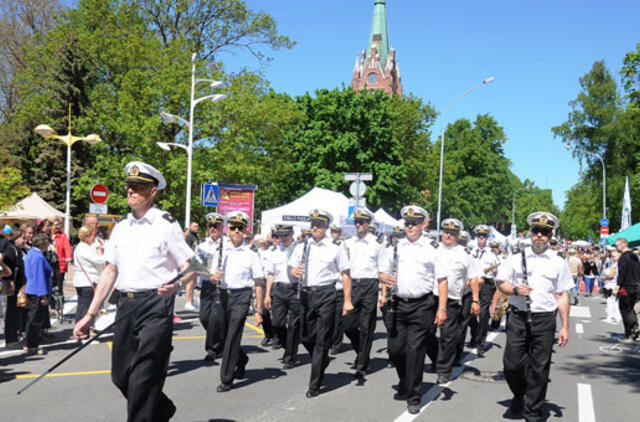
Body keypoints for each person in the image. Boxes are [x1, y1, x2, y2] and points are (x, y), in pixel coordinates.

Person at [73, 161, 195, 421]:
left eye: (138, 187)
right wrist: (90, 314)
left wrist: (176, 285)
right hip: (126, 306)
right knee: (120, 375)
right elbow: (109, 272)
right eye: (129, 186)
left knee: (143, 377)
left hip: (155, 305)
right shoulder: (121, 227)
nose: (131, 191)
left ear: (152, 193)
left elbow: (190, 267)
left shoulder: (165, 224)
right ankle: (161, 409)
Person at [496, 211, 572, 421]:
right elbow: (500, 281)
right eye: (537, 230)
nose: (540, 235)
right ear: (530, 232)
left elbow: (562, 294)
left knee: (540, 367)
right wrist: (514, 290)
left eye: (545, 232)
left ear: (551, 235)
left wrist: (565, 326)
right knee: (512, 365)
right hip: (518, 317)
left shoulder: (558, 261)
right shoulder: (515, 257)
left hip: (545, 319)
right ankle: (519, 395)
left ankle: (533, 411)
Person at [379, 205, 446, 415]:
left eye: (414, 223)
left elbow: (442, 281)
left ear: (423, 224)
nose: (409, 227)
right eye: (406, 223)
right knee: (396, 349)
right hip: (398, 304)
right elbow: (383, 271)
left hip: (422, 305)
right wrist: (383, 279)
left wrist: (442, 308)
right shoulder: (396, 246)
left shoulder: (433, 248)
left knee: (415, 351)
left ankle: (414, 396)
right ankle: (404, 379)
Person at [289, 208, 353, 398]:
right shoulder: (302, 246)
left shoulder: (335, 247)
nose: (315, 227)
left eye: (319, 224)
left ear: (326, 227)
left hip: (326, 293)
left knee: (322, 339)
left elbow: (345, 273)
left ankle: (314, 385)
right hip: (306, 295)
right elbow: (292, 269)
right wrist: (294, 272)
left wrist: (347, 300)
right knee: (306, 337)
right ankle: (322, 359)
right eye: (313, 224)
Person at [215, 211, 265, 393]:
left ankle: (226, 379)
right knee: (221, 334)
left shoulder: (251, 254)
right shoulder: (220, 250)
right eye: (233, 227)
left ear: (245, 231)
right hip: (223, 294)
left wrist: (259, 310)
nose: (236, 231)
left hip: (242, 296)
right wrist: (213, 276)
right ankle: (241, 358)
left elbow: (258, 283)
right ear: (228, 230)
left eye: (240, 228)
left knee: (233, 335)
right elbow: (207, 274)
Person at [436, 219, 481, 384]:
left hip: (452, 299)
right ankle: (436, 357)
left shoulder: (465, 254)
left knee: (448, 335)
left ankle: (443, 369)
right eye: (446, 232)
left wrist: (475, 300)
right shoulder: (433, 250)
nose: (448, 235)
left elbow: (474, 278)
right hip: (430, 295)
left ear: (458, 235)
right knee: (425, 332)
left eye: (453, 233)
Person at [343, 208, 384, 381]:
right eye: (356, 222)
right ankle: (362, 351)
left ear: (368, 224)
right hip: (353, 285)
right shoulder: (349, 243)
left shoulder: (377, 243)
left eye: (362, 222)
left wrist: (383, 293)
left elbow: (382, 270)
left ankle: (362, 364)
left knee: (367, 326)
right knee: (348, 326)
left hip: (369, 285)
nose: (358, 225)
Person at [265, 225, 301, 369]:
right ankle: (288, 347)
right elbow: (270, 274)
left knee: (293, 326)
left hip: (295, 289)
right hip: (279, 289)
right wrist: (267, 294)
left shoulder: (300, 250)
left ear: (292, 233)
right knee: (277, 324)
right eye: (281, 235)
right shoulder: (275, 251)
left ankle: (290, 357)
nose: (283, 238)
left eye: (286, 234)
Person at [197, 212, 226, 361]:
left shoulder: (227, 244)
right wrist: (210, 276)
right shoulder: (203, 246)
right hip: (208, 284)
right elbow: (200, 267)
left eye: (216, 226)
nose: (213, 228)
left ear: (222, 227)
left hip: (221, 286)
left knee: (215, 318)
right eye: (211, 226)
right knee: (204, 317)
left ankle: (213, 349)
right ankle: (220, 338)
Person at [468, 224, 501, 356]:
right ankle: (474, 334)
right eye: (479, 236)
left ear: (487, 238)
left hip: (486, 284)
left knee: (483, 315)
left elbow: (496, 272)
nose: (481, 238)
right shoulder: (470, 251)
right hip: (472, 282)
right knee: (468, 313)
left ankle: (481, 342)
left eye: (484, 236)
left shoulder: (492, 255)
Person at [24, 233, 53, 355]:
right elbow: (39, 277)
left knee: (32, 318)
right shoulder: (38, 257)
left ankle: (30, 344)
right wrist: (43, 295)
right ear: (41, 244)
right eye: (46, 242)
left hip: (32, 289)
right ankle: (32, 346)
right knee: (35, 320)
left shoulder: (32, 253)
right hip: (37, 291)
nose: (48, 244)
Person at [72, 226, 104, 323]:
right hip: (87, 281)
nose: (94, 238)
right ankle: (83, 329)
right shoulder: (84, 248)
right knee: (86, 307)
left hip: (82, 281)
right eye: (93, 236)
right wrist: (101, 252)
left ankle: (82, 327)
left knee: (82, 305)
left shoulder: (82, 247)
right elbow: (100, 261)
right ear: (87, 236)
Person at [2, 228, 26, 349]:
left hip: (19, 285)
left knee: (17, 312)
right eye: (22, 237)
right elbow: (7, 267)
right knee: (12, 313)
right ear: (15, 239)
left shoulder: (19, 250)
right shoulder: (11, 250)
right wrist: (8, 281)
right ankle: (10, 339)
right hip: (13, 285)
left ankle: (15, 336)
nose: (24, 239)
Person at [613, 237, 640, 343]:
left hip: (626, 287)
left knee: (624, 309)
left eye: (617, 245)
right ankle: (634, 329)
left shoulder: (623, 258)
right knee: (630, 309)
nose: (616, 247)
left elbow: (622, 274)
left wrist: (617, 287)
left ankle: (630, 331)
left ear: (623, 245)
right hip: (635, 286)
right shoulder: (635, 256)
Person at [51, 217, 72, 292]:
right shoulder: (48, 235)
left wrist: (68, 257)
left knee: (59, 284)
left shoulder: (63, 236)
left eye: (58, 225)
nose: (56, 227)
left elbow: (67, 247)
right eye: (54, 225)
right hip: (49, 263)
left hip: (59, 262)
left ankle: (59, 300)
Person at [183, 221, 201, 311]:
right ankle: (188, 301)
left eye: (197, 226)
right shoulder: (189, 237)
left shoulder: (195, 237)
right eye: (194, 226)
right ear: (190, 227)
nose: (196, 227)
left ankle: (192, 300)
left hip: (195, 262)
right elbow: (186, 250)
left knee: (194, 283)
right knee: (189, 283)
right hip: (190, 261)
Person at [601, 252, 621, 324]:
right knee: (616, 302)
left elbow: (611, 276)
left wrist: (604, 277)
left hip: (611, 284)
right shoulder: (621, 265)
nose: (612, 258)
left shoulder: (615, 265)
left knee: (610, 301)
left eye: (613, 256)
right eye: (611, 256)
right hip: (617, 284)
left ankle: (610, 317)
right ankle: (617, 316)